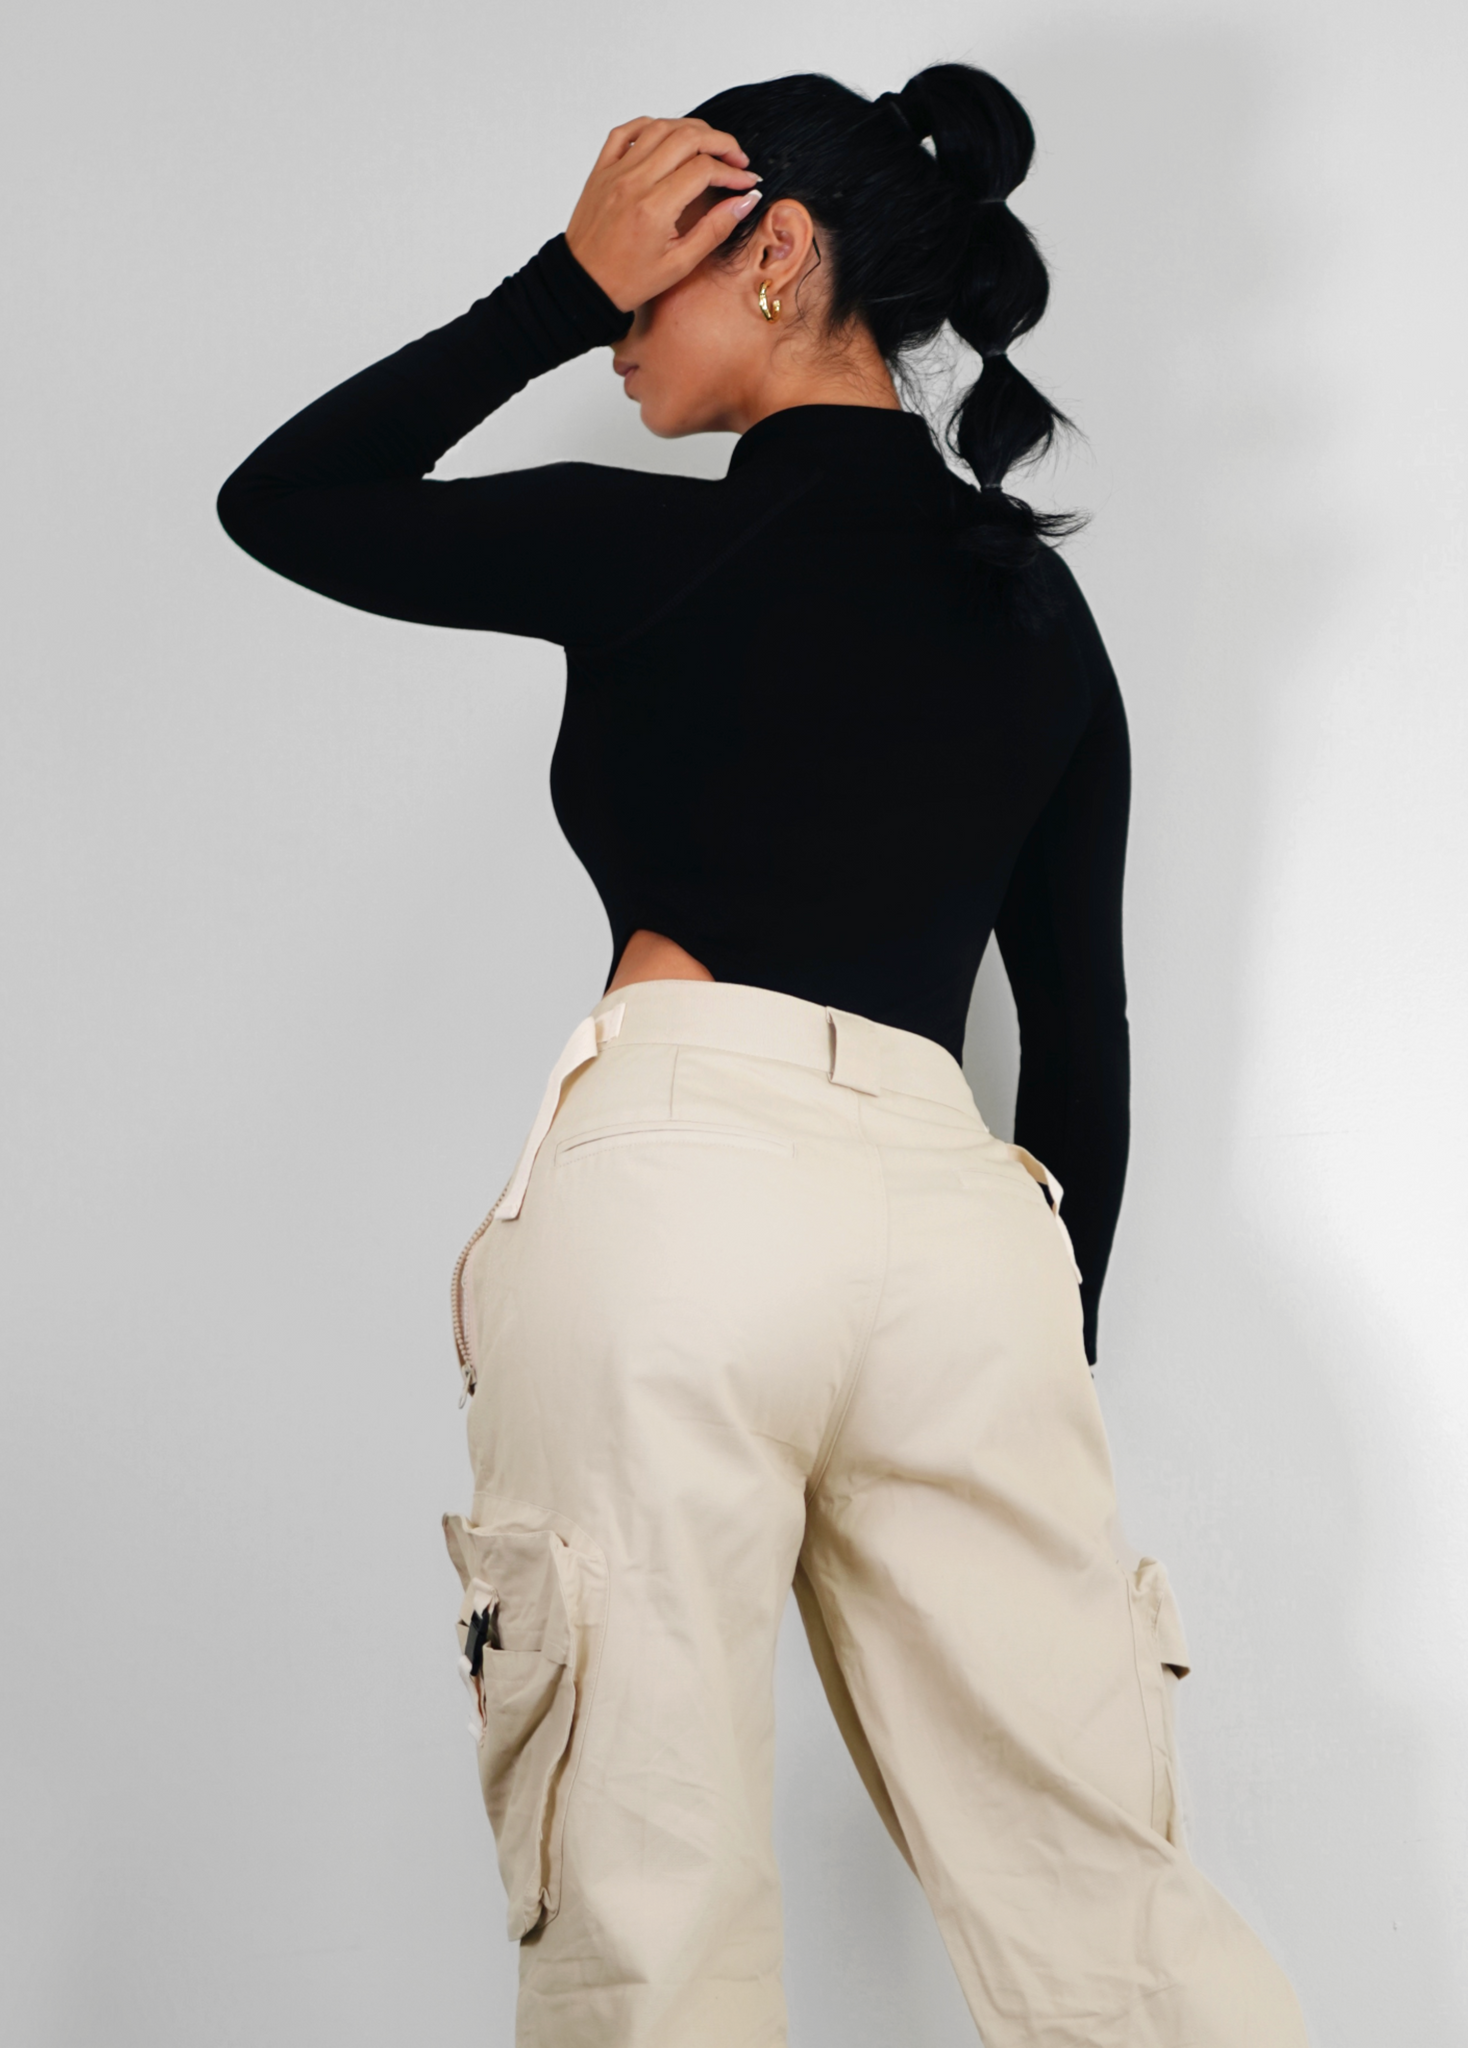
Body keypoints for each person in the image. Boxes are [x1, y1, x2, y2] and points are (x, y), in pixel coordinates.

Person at [218, 63, 1308, 2048]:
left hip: (679, 1187)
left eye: (649, 267)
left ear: (779, 255)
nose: (618, 323)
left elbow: (280, 502)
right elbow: (1079, 1034)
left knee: (647, 1895)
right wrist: (1032, 1346)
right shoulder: (1037, 608)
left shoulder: (637, 550)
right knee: (1103, 1904)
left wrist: (544, 290)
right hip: (972, 1237)